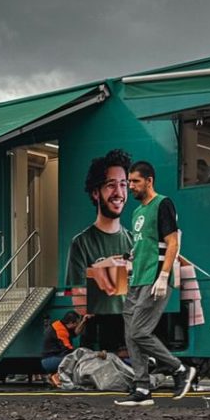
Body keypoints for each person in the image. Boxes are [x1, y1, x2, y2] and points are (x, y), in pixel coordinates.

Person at [115, 160, 196, 407]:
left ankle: (180, 369)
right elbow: (145, 244)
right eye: (129, 182)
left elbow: (173, 242)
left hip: (154, 278)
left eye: (135, 182)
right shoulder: (137, 212)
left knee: (139, 331)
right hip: (137, 279)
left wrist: (163, 276)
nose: (130, 187)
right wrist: (130, 257)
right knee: (131, 334)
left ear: (149, 181)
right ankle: (142, 387)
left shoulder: (163, 204)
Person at [65, 149, 133, 353]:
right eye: (111, 185)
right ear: (96, 193)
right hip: (96, 334)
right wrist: (98, 270)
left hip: (128, 328)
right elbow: (77, 300)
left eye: (123, 184)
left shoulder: (134, 240)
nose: (119, 193)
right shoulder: (81, 242)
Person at [41, 311, 84, 384]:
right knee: (74, 358)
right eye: (76, 323)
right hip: (50, 360)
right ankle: (56, 376)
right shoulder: (60, 331)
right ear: (70, 323)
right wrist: (84, 354)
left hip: (50, 358)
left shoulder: (61, 325)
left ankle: (53, 376)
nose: (77, 325)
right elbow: (68, 349)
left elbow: (74, 333)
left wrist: (84, 321)